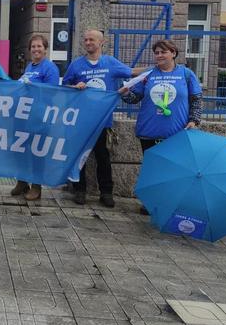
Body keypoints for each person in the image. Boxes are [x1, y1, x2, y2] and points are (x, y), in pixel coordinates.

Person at [119, 39, 203, 213]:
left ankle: (171, 202)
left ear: (173, 53)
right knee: (152, 169)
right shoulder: (149, 74)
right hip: (150, 131)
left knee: (174, 169)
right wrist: (125, 94)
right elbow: (135, 97)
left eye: (163, 52)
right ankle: (150, 202)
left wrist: (194, 120)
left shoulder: (186, 74)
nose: (159, 56)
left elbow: (196, 100)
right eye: (156, 52)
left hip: (176, 132)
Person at [62, 29, 140, 207]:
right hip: (80, 119)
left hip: (102, 121)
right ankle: (79, 190)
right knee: (78, 156)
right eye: (86, 39)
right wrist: (75, 86)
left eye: (91, 39)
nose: (88, 42)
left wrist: (155, 69)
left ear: (101, 42)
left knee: (102, 156)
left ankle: (106, 192)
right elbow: (65, 86)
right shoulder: (76, 65)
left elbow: (132, 72)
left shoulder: (110, 63)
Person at [11, 34, 60, 201]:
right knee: (21, 149)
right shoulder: (30, 67)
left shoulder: (50, 68)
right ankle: (22, 181)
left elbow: (52, 92)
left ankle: (37, 186)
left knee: (36, 152)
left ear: (45, 49)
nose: (36, 49)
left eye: (39, 46)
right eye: (33, 47)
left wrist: (33, 87)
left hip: (40, 117)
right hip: (24, 115)